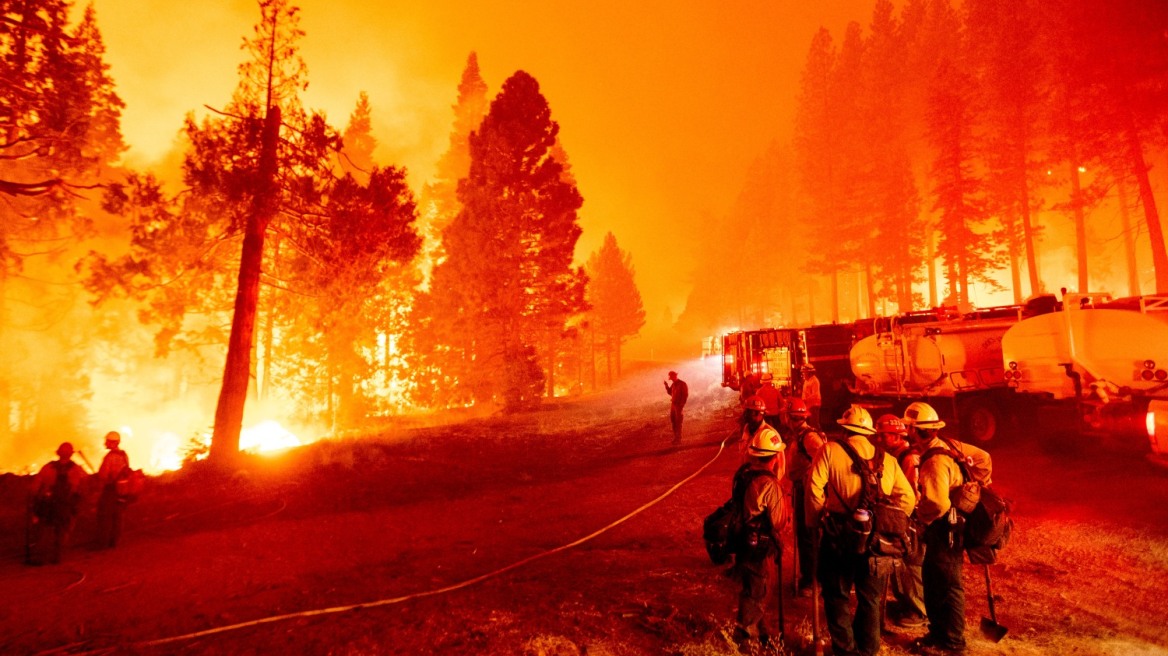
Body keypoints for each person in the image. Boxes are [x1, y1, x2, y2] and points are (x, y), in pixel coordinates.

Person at [807, 405, 916, 656]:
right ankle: (868, 649)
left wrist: (815, 521)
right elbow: (908, 498)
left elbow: (813, 489)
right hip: (876, 539)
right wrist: (886, 523)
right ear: (868, 432)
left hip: (838, 535)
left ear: (844, 429)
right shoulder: (886, 459)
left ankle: (845, 650)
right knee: (870, 597)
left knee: (836, 594)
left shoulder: (829, 450)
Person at [902, 402, 992, 656]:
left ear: (915, 430)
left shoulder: (934, 462)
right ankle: (939, 634)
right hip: (955, 521)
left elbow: (937, 504)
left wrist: (920, 519)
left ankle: (952, 641)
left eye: (909, 428)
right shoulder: (950, 445)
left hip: (945, 527)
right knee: (935, 579)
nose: (906, 432)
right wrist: (980, 483)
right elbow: (984, 458)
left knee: (947, 582)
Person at [729, 414, 789, 654]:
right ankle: (744, 637)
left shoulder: (744, 473)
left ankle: (761, 630)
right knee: (757, 589)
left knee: (753, 585)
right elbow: (778, 521)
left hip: (742, 539)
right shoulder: (769, 484)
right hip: (758, 545)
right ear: (774, 457)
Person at [874, 414, 928, 629]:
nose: (879, 440)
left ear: (898, 436)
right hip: (899, 516)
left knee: (911, 564)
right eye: (878, 435)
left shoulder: (909, 458)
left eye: (884, 435)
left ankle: (918, 610)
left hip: (910, 518)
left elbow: (912, 494)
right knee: (899, 563)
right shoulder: (894, 456)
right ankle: (905, 603)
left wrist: (899, 519)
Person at [784, 397, 826, 597]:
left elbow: (823, 458)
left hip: (808, 490)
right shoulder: (799, 435)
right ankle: (809, 575)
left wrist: (811, 479)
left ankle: (813, 580)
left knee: (808, 535)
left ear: (789, 417)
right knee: (803, 533)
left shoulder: (809, 437)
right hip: (801, 488)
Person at [27, 443, 86, 565]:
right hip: (65, 506)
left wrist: (34, 500)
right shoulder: (76, 469)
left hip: (48, 505)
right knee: (61, 531)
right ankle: (57, 557)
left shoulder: (49, 467)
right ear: (70, 454)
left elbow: (35, 487)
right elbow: (82, 487)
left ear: (58, 453)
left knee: (43, 530)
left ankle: (39, 558)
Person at [95, 431, 131, 549]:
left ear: (113, 442)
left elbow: (103, 475)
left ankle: (102, 543)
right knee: (118, 516)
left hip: (110, 490)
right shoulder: (124, 455)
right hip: (122, 490)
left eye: (107, 441)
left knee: (105, 516)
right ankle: (114, 542)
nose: (105, 443)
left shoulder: (110, 457)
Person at [664, 371, 689, 443]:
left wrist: (681, 404)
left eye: (671, 376)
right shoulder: (674, 384)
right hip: (673, 404)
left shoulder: (682, 384)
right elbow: (670, 393)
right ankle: (676, 438)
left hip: (678, 405)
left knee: (678, 422)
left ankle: (678, 439)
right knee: (674, 421)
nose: (670, 378)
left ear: (674, 376)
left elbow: (685, 395)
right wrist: (666, 386)